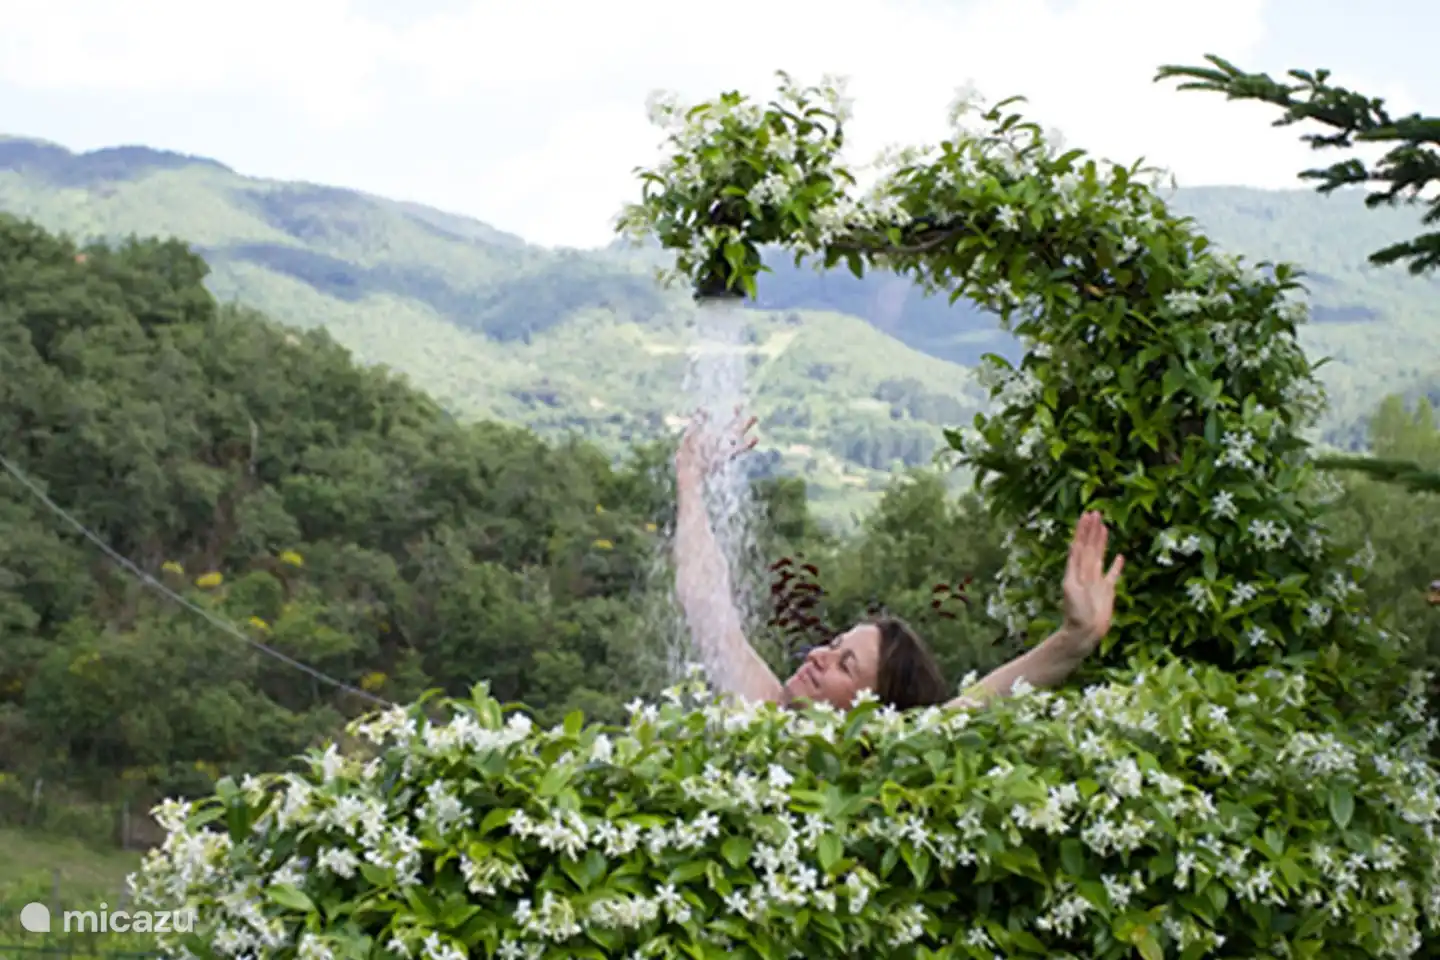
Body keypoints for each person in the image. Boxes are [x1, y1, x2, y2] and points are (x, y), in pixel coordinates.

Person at [673, 410, 1125, 712]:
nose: (817, 658)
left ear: (878, 713)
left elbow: (978, 702)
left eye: (845, 665)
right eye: (833, 647)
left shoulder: (883, 769)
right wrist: (690, 479)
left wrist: (1075, 639)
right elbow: (708, 608)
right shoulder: (767, 714)